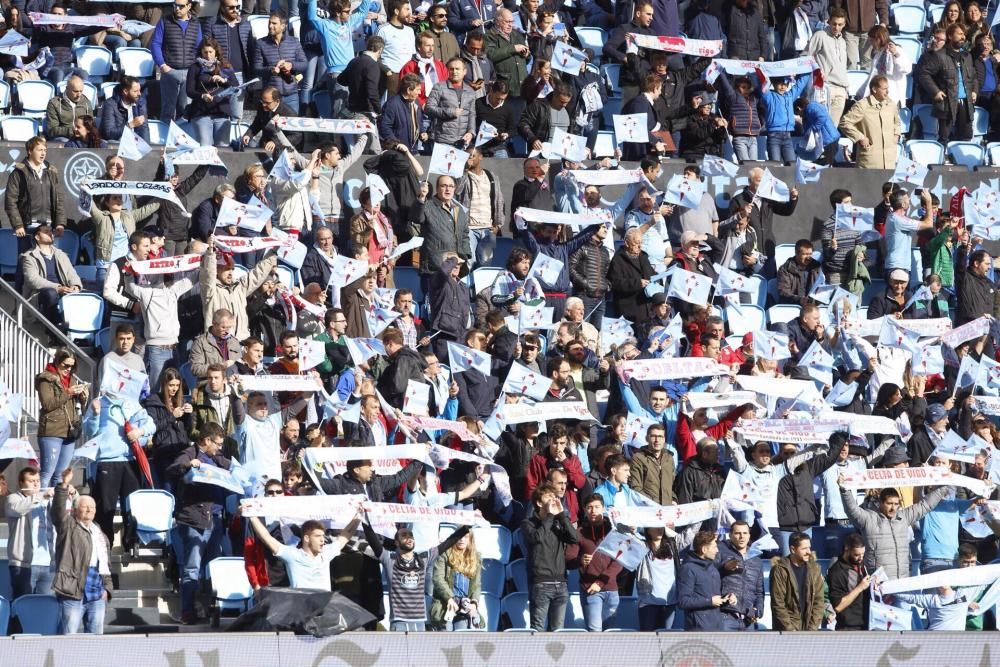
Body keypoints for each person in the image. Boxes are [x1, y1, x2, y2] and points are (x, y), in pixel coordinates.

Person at [166, 422, 232, 624]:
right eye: (217, 443)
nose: (220, 447)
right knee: (193, 567)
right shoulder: (189, 453)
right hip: (195, 520)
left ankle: (206, 609)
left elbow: (235, 470)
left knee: (211, 568)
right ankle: (188, 611)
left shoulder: (217, 458)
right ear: (206, 440)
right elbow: (173, 469)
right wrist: (189, 465)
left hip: (216, 520)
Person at [839, 478, 950, 579]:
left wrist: (944, 487)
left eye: (896, 504)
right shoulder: (869, 519)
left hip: (903, 581)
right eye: (889, 503)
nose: (893, 508)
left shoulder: (904, 517)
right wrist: (845, 491)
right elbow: (852, 510)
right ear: (880, 503)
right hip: (880, 584)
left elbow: (925, 505)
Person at [51, 470, 113, 635]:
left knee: (95, 639)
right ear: (75, 509)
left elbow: (105, 562)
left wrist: (107, 589)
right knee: (68, 636)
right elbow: (57, 512)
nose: (89, 510)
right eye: (85, 506)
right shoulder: (68, 525)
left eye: (92, 507)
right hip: (72, 590)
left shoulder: (98, 531)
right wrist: (64, 485)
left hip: (97, 592)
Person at [4, 137, 66, 283]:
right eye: (39, 150)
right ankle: (19, 301)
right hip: (27, 227)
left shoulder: (51, 171)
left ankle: (46, 303)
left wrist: (60, 223)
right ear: (29, 151)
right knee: (24, 266)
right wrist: (18, 225)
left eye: (45, 150)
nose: (43, 153)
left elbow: (59, 199)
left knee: (48, 266)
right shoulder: (19, 172)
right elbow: (10, 201)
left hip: (48, 227)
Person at [248, 513, 360, 590]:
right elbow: (267, 538)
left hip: (323, 610)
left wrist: (359, 515)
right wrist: (252, 516)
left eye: (323, 536)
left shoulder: (326, 553)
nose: (322, 540)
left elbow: (346, 535)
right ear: (306, 538)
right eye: (317, 536)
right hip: (301, 612)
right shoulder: (293, 555)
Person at [522, 482, 580, 631]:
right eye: (549, 497)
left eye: (555, 497)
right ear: (539, 502)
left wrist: (561, 515)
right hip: (541, 584)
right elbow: (537, 538)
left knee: (558, 631)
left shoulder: (558, 522)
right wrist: (549, 516)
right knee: (538, 630)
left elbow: (574, 538)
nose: (554, 500)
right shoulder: (528, 523)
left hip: (561, 584)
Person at [565, 494, 623, 631]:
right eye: (589, 507)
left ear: (603, 508)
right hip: (591, 590)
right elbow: (568, 560)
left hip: (612, 590)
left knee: (610, 634)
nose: (593, 511)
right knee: (595, 634)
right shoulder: (578, 532)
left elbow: (619, 560)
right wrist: (580, 561)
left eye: (597, 507)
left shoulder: (613, 531)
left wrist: (600, 582)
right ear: (584, 510)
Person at [35, 348, 88, 488]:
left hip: (69, 431)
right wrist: (69, 393)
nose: (69, 369)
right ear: (57, 362)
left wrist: (82, 398)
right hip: (51, 431)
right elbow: (47, 404)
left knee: (60, 475)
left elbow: (74, 406)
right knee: (47, 473)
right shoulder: (46, 379)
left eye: (72, 366)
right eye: (65, 365)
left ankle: (56, 507)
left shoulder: (71, 379)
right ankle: (41, 507)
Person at [918, 23, 979, 144]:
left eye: (964, 34)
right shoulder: (939, 56)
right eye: (960, 34)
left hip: (966, 103)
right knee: (944, 138)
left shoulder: (967, 56)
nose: (963, 37)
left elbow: (974, 77)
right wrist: (935, 91)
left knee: (966, 137)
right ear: (950, 36)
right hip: (947, 102)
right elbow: (924, 74)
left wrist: (974, 91)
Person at [6, 466, 56, 599]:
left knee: (44, 608)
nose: (35, 484)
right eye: (31, 481)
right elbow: (18, 509)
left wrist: (72, 493)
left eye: (38, 481)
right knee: (21, 607)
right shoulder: (13, 498)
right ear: (21, 483)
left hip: (47, 563)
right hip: (24, 564)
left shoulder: (46, 500)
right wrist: (40, 495)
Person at [150, 0, 202, 122]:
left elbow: (199, 46)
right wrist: (162, 65)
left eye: (181, 6)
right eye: (175, 5)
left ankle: (182, 140)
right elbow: (156, 44)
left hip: (189, 72)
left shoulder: (196, 23)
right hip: (170, 71)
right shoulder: (164, 21)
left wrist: (195, 68)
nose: (177, 8)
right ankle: (165, 139)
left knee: (185, 110)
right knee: (167, 110)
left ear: (189, 6)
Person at [20, 224, 82, 326]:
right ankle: (53, 333)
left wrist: (76, 285)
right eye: (46, 231)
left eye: (51, 231)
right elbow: (33, 280)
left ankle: (79, 335)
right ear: (37, 237)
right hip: (40, 293)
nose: (50, 233)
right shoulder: (29, 257)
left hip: (64, 290)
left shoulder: (61, 254)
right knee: (51, 294)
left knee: (87, 297)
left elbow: (71, 273)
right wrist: (57, 288)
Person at [185, 37, 239, 147]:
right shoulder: (195, 67)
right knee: (206, 147)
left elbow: (236, 86)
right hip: (201, 113)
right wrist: (201, 96)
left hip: (221, 112)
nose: (208, 55)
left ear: (216, 51)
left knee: (223, 148)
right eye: (205, 52)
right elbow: (189, 91)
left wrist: (224, 80)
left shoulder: (224, 66)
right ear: (201, 52)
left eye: (211, 52)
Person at [837, 75, 900, 169]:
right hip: (869, 163)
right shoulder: (862, 105)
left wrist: (896, 134)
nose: (887, 92)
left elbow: (897, 123)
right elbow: (845, 123)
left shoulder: (891, 104)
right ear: (874, 89)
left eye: (888, 88)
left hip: (889, 161)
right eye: (884, 89)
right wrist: (859, 137)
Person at [769, 532, 825, 631]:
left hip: (808, 628)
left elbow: (819, 601)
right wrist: (791, 631)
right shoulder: (780, 570)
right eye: (804, 549)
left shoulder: (814, 569)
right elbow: (778, 603)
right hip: (786, 632)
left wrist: (812, 629)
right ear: (793, 549)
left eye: (809, 548)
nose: (809, 552)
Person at [253, 12, 307, 113]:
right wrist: (271, 70)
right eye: (269, 23)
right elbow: (256, 69)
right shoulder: (260, 43)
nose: (270, 26)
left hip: (291, 95)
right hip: (271, 98)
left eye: (274, 23)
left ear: (283, 26)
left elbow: (304, 64)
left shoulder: (294, 42)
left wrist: (291, 65)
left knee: (292, 127)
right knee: (270, 127)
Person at [677, 530, 731, 630]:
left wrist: (726, 598)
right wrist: (709, 601)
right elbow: (683, 601)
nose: (717, 551)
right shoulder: (688, 569)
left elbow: (713, 596)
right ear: (704, 549)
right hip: (698, 629)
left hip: (717, 626)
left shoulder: (712, 567)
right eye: (714, 547)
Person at [430, 529, 483, 630]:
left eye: (465, 537)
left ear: (470, 540)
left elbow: (477, 585)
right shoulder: (444, 554)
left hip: (465, 606)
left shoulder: (476, 557)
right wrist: (450, 598)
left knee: (461, 637)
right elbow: (438, 579)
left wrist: (474, 603)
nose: (461, 539)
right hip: (445, 605)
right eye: (459, 536)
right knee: (446, 635)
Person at [717, 521, 764, 631]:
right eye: (738, 533)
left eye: (745, 533)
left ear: (749, 535)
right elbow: (710, 578)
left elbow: (759, 591)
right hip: (726, 617)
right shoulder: (720, 553)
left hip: (748, 620)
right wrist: (723, 568)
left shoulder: (756, 560)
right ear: (730, 535)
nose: (742, 537)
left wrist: (758, 611)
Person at [424, 57, 476, 149]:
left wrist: (471, 132)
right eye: (451, 69)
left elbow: (472, 114)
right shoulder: (439, 87)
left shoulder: (470, 91)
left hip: (462, 141)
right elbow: (428, 108)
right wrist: (450, 112)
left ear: (464, 71)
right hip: (442, 140)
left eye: (457, 69)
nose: (454, 72)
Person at [826, 533, 872, 631]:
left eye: (863, 554)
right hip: (848, 627)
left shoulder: (861, 564)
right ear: (847, 549)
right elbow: (838, 606)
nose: (861, 558)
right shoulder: (837, 572)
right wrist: (860, 588)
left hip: (866, 622)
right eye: (856, 555)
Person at [628, 424, 676, 506]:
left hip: (667, 510)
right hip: (648, 509)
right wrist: (654, 504)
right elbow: (635, 487)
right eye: (653, 436)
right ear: (647, 438)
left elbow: (672, 485)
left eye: (660, 436)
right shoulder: (638, 458)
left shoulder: (669, 458)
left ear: (664, 439)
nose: (657, 440)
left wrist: (674, 499)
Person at [485, 9, 529, 97]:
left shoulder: (517, 35)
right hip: (504, 87)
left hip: (523, 86)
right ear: (497, 22)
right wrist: (513, 48)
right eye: (507, 22)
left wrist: (527, 55)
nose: (510, 25)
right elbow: (491, 55)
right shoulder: (489, 36)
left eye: (511, 22)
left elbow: (527, 59)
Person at [190, 309, 242, 379]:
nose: (227, 331)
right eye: (223, 327)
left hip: (233, 381)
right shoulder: (200, 342)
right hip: (210, 383)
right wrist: (221, 366)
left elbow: (241, 365)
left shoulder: (234, 341)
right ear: (214, 323)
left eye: (229, 327)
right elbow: (195, 369)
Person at [379, 74, 425, 151]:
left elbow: (419, 121)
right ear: (409, 90)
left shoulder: (416, 102)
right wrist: (396, 144)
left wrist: (422, 132)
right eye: (417, 90)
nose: (420, 92)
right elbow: (384, 127)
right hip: (397, 152)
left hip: (413, 150)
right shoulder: (392, 104)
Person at [98, 76, 150, 143]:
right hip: (116, 143)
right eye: (135, 91)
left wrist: (146, 148)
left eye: (139, 90)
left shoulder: (140, 102)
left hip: (135, 142)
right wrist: (130, 125)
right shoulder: (110, 105)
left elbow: (144, 127)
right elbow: (109, 134)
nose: (139, 94)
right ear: (125, 91)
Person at [45, 74, 93, 142]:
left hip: (83, 136)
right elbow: (52, 130)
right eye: (75, 91)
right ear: (67, 89)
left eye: (81, 91)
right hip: (64, 138)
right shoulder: (54, 103)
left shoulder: (86, 102)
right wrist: (73, 131)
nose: (79, 95)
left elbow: (91, 125)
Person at [777, 239, 822, 305]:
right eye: (805, 254)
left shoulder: (816, 267)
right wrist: (800, 300)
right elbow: (783, 292)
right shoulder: (785, 269)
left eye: (810, 254)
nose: (808, 258)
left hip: (812, 307)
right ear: (796, 253)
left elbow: (821, 287)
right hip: (792, 306)